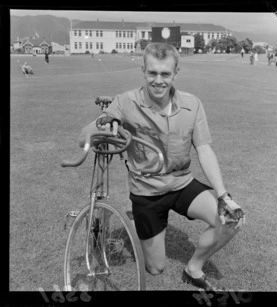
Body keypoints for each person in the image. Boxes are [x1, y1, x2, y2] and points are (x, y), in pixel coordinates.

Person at [79, 43, 246, 290]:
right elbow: (84, 137)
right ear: (143, 71)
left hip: (181, 183)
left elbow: (204, 149)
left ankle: (193, 269)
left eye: (165, 74)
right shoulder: (125, 102)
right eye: (152, 73)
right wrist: (105, 121)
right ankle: (138, 219)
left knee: (232, 220)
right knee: (155, 269)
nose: (158, 80)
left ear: (176, 73)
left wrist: (223, 196)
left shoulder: (192, 104)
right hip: (147, 192)